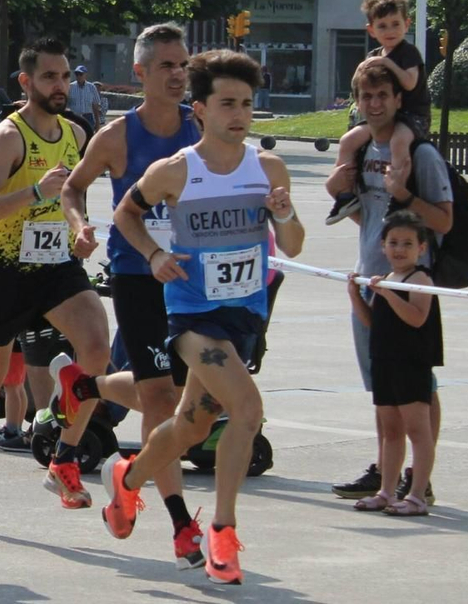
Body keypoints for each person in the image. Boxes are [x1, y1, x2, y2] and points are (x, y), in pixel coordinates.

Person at [89, 50, 303, 586]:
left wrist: (284, 214)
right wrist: (156, 256)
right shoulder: (176, 171)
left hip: (245, 317)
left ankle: (127, 479)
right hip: (192, 317)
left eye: (247, 104)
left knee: (191, 424)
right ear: (201, 109)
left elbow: (295, 245)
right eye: (227, 103)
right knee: (246, 410)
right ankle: (223, 535)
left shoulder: (268, 169)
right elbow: (124, 214)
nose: (239, 114)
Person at [0, 38, 112, 527]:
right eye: (50, 77)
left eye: (67, 77)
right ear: (26, 82)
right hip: (6, 271)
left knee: (96, 350)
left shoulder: (76, 133)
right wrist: (33, 192)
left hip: (56, 267)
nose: (61, 86)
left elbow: (71, 195)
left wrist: (79, 230)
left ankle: (65, 458)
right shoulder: (10, 137)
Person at [56, 22, 205, 566]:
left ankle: (86, 384)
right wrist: (80, 225)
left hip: (196, 279)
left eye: (182, 64)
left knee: (194, 406)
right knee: (162, 400)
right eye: (165, 65)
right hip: (139, 274)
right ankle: (182, 525)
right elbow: (74, 184)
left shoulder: (202, 126)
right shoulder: (119, 135)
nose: (177, 75)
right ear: (139, 73)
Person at [326, 61, 451, 505]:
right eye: (367, 97)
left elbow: (443, 220)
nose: (375, 104)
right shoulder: (359, 150)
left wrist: (404, 197)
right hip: (370, 283)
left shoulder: (421, 155)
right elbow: (365, 217)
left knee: (419, 389)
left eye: (384, 96)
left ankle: (420, 477)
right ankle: (387, 471)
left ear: (399, 100)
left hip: (412, 286)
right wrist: (340, 194)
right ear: (357, 102)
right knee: (383, 389)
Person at [349, 212, 444, 516]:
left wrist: (388, 294)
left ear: (422, 248)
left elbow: (416, 318)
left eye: (407, 243)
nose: (399, 249)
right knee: (391, 431)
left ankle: (416, 494)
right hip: (384, 363)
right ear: (382, 246)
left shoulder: (420, 279)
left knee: (417, 431)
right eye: (393, 242)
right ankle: (386, 492)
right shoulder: (388, 280)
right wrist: (356, 296)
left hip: (410, 364)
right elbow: (373, 323)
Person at [328, 0, 429, 225]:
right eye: (382, 26)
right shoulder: (373, 55)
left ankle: (398, 194)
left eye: (395, 24)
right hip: (381, 117)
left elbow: (410, 82)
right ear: (371, 30)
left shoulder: (408, 52)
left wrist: (387, 63)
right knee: (348, 141)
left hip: (412, 116)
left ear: (407, 24)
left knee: (398, 142)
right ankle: (346, 194)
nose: (390, 31)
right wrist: (361, 70)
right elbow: (358, 84)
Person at [67, 66, 105, 138]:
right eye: (77, 74)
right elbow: (65, 104)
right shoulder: (70, 87)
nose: (78, 76)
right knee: (74, 138)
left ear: (85, 75)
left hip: (88, 117)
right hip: (74, 117)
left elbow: (95, 105)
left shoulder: (91, 87)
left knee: (88, 138)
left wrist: (97, 124)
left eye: (80, 74)